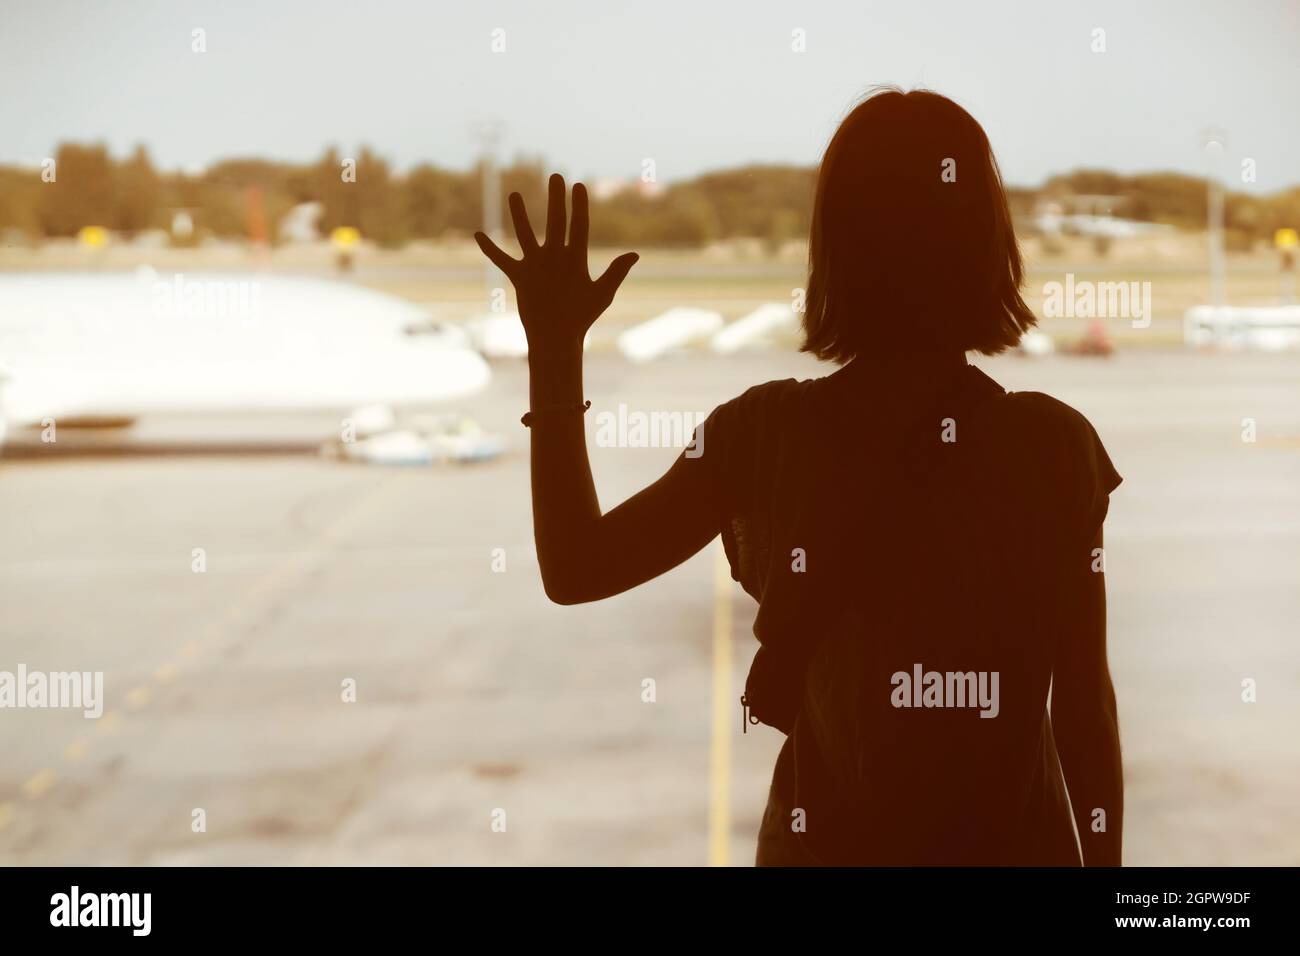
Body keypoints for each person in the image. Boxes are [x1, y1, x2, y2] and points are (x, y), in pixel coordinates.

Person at [475, 87, 1123, 866]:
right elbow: (1086, 709)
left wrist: (553, 350)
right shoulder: (1053, 449)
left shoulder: (763, 436)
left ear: (835, 248)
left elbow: (576, 568)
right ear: (987, 243)